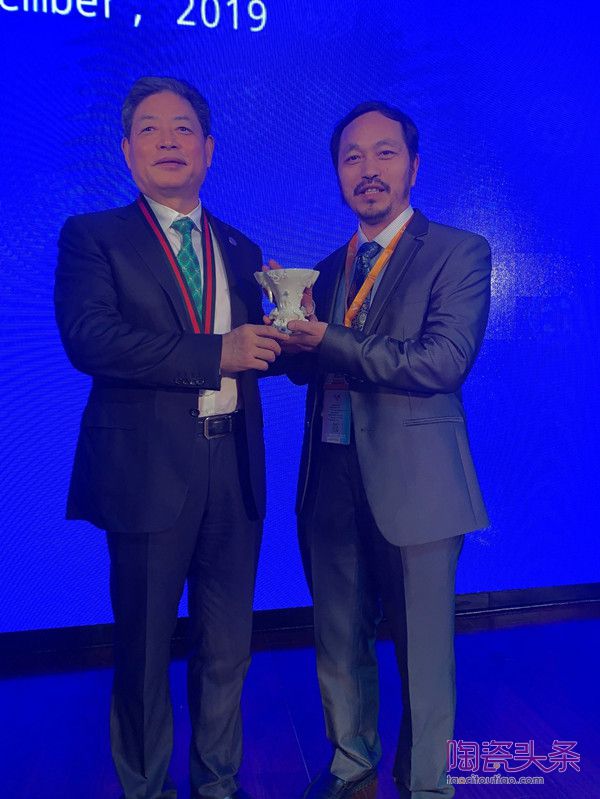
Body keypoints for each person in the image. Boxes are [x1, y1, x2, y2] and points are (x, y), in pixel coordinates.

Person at [54, 76, 287, 799]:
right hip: (146, 472)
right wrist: (217, 351)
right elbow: (92, 340)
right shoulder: (94, 236)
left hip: (235, 469)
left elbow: (256, 354)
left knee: (228, 648)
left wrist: (291, 330)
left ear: (208, 150)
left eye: (183, 128)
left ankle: (218, 784)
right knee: (145, 650)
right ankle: (146, 789)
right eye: (149, 129)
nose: (167, 141)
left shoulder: (242, 247)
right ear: (126, 151)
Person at [277, 101, 491, 798]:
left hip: (417, 484)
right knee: (338, 639)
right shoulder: (324, 270)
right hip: (329, 479)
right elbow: (313, 368)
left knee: (424, 651)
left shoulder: (459, 252)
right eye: (352, 158)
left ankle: (427, 784)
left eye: (384, 153)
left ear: (414, 166)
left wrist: (327, 339)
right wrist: (287, 335)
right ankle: (351, 765)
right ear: (339, 174)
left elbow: (441, 363)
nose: (367, 170)